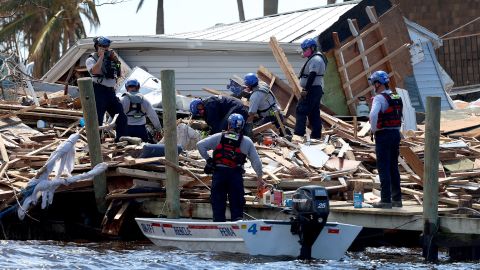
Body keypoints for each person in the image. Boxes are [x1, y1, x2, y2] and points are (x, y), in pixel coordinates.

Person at [197, 113, 263, 222]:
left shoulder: (219, 137)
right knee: (237, 205)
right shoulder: (246, 141)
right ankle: (236, 231)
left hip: (219, 174)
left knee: (218, 203)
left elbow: (200, 145)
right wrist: (260, 177)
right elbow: (256, 161)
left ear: (229, 125)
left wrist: (208, 159)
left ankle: (219, 228)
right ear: (242, 126)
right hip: (235, 175)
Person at [368, 70, 403, 209]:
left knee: (383, 167)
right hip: (395, 134)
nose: (373, 86)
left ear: (378, 83)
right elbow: (400, 115)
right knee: (394, 166)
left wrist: (374, 129)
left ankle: (385, 200)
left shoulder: (379, 98)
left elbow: (373, 114)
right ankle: (397, 199)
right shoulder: (396, 96)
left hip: (383, 135)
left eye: (373, 83)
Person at [85, 36, 127, 141]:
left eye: (107, 46)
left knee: (121, 117)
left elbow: (119, 73)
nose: (105, 48)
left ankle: (120, 141)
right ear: (97, 47)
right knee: (97, 119)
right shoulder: (91, 59)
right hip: (98, 91)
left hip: (110, 92)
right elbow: (95, 71)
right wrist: (101, 57)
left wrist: (116, 60)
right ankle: (96, 144)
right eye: (102, 46)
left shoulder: (111, 58)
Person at [294, 38, 327, 140]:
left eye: (305, 49)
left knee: (301, 110)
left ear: (312, 48)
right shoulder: (314, 58)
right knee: (313, 113)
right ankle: (316, 136)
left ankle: (298, 135)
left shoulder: (316, 59)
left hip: (312, 89)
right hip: (315, 89)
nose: (304, 52)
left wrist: (306, 90)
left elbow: (312, 75)